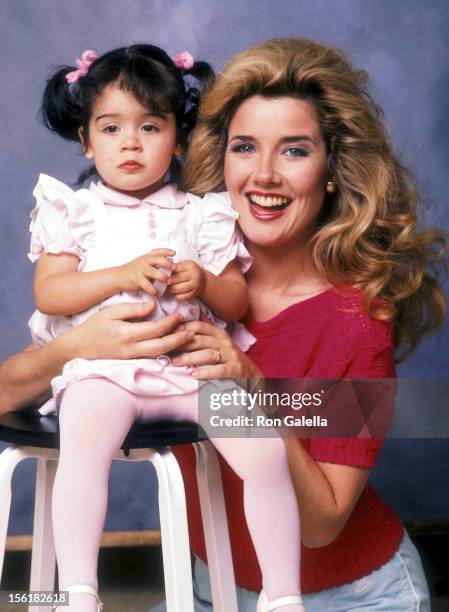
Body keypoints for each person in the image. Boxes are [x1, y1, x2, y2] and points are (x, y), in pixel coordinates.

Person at [0, 36, 445, 611]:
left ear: (332, 170)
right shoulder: (171, 260)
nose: (264, 174)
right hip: (213, 589)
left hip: (352, 594)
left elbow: (325, 523)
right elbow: (8, 392)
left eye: (294, 151)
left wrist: (251, 388)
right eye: (244, 147)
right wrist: (76, 348)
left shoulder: (358, 323)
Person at [22, 43, 304, 612]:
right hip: (106, 373)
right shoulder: (74, 210)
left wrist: (201, 282)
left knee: (267, 451)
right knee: (83, 441)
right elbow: (51, 291)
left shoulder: (203, 213)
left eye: (150, 127)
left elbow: (234, 300)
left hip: (188, 372)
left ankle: (282, 594)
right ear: (85, 139)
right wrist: (119, 275)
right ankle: (79, 589)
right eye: (110, 128)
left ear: (177, 138)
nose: (130, 142)